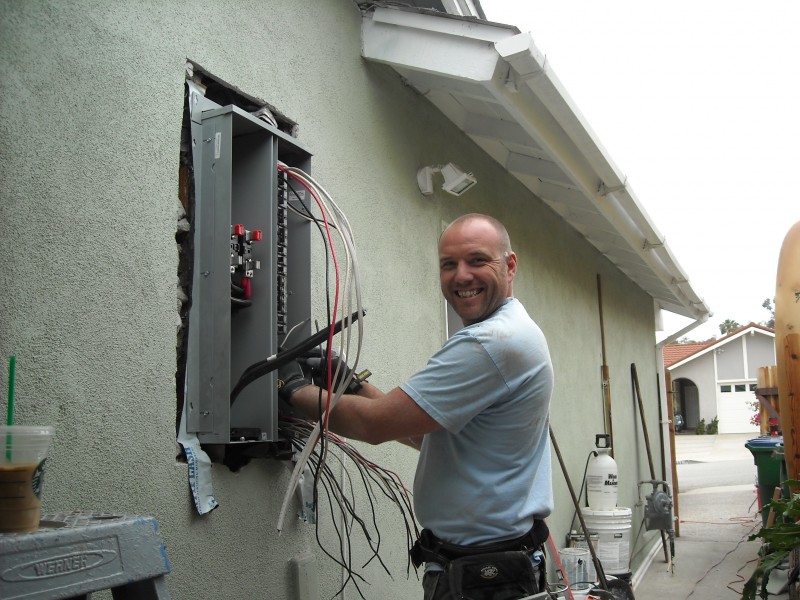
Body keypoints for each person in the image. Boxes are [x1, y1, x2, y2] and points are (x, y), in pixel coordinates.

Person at [281, 213, 554, 599]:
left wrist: (290, 389)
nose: (461, 276)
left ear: (509, 265)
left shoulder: (491, 343)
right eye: (449, 264)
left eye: (477, 260)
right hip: (487, 568)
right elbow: (426, 433)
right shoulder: (509, 332)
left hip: (483, 578)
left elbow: (376, 426)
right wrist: (353, 384)